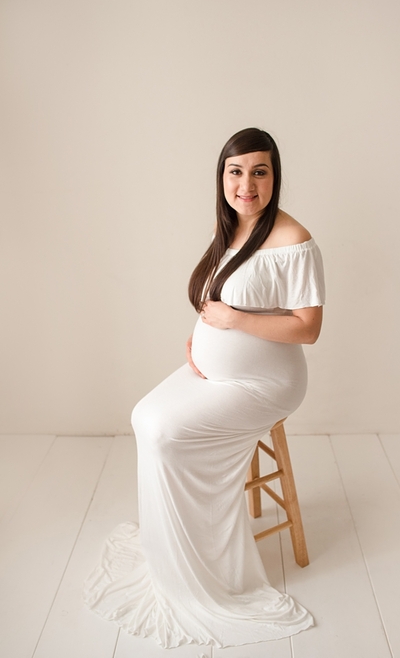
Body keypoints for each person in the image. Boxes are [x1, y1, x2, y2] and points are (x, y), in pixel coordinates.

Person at [84, 128, 325, 648]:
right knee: (144, 417)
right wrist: (202, 338)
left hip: (267, 383)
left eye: (259, 171)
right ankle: (171, 547)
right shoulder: (231, 231)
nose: (247, 184)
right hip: (214, 372)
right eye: (235, 172)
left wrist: (233, 322)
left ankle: (207, 569)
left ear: (275, 176)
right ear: (222, 178)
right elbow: (214, 302)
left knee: (167, 434)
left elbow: (307, 328)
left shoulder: (294, 240)